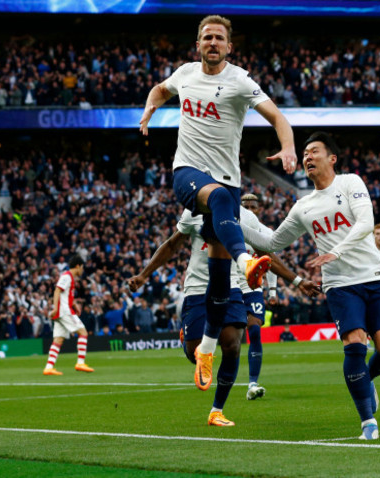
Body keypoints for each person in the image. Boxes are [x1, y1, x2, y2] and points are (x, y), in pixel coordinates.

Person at [139, 15, 297, 392]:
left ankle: (206, 351)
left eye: (219, 38)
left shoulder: (240, 81)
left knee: (220, 287)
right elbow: (161, 89)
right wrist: (150, 109)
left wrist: (288, 146)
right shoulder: (186, 73)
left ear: (229, 46)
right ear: (197, 45)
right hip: (189, 174)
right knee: (224, 198)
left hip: (225, 188)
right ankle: (247, 259)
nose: (212, 42)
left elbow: (277, 116)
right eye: (206, 37)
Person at [240, 132, 380, 440]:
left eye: (314, 151)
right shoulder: (303, 206)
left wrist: (336, 250)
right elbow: (273, 242)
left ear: (332, 158)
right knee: (354, 345)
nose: (307, 157)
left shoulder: (351, 183)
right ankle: (368, 422)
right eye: (304, 154)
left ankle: (368, 378)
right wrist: (233, 226)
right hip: (340, 285)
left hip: (376, 278)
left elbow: (366, 222)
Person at [128, 207, 318, 426]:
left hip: (231, 287)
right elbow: (172, 245)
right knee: (194, 354)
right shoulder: (194, 212)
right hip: (198, 288)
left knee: (232, 344)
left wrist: (297, 281)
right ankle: (188, 338)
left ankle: (217, 411)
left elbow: (265, 253)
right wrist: (144, 275)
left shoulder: (244, 217)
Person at [239, 193, 320, 400]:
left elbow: (270, 262)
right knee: (229, 338)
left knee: (255, 329)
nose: (249, 210)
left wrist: (272, 291)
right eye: (245, 206)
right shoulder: (231, 225)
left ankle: (252, 383)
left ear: (259, 209)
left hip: (253, 286)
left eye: (253, 207)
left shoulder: (265, 233)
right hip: (230, 283)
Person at [43, 255, 94, 375]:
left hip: (62, 310)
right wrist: (56, 308)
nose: (82, 270)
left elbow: (65, 294)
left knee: (58, 340)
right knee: (83, 332)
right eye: (82, 267)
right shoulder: (67, 276)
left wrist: (74, 304)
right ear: (77, 266)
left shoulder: (69, 278)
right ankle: (80, 362)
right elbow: (57, 290)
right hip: (63, 311)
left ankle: (49, 367)